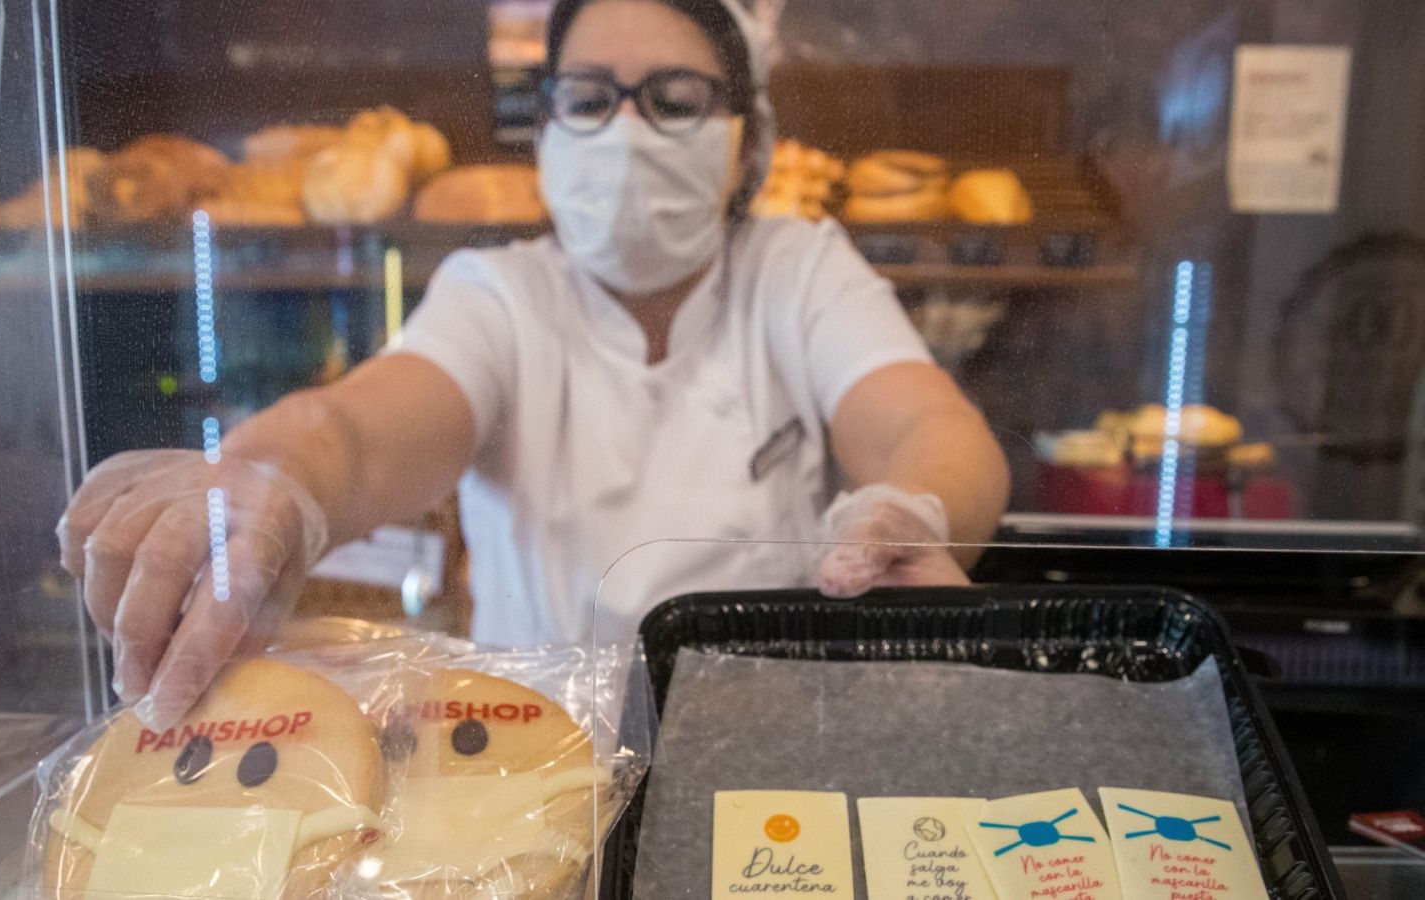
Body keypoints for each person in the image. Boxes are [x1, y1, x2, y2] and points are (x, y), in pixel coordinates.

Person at [58, 0, 1009, 729]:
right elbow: (350, 431)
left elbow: (929, 429)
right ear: (548, 128)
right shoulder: (501, 294)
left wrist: (913, 509)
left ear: (748, 139)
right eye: (590, 100)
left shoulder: (797, 269)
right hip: (530, 759)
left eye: (675, 102)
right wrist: (264, 489)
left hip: (768, 746)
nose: (628, 135)